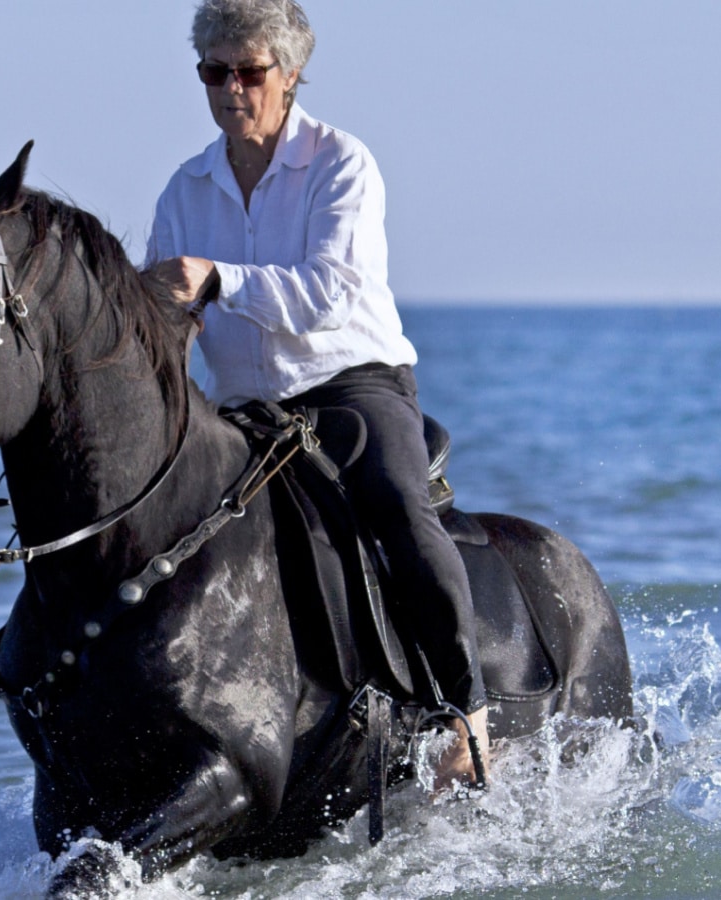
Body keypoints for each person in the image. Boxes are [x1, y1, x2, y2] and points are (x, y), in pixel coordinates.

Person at [145, 0, 489, 788]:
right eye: (213, 71)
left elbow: (331, 292)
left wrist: (221, 279)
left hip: (352, 387)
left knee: (398, 504)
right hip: (242, 408)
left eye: (249, 71)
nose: (231, 88)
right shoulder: (183, 190)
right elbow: (170, 316)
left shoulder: (343, 163)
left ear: (292, 73)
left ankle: (465, 712)